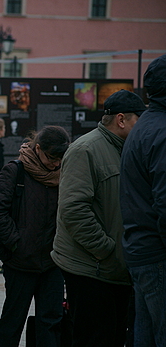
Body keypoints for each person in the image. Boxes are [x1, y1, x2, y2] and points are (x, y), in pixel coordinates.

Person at [52, 89, 146, 346]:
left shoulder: (127, 149)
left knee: (113, 336)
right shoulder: (86, 149)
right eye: (139, 119)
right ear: (121, 120)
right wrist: (106, 250)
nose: (144, 126)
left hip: (116, 269)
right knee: (94, 338)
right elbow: (73, 210)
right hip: (91, 269)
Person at [0, 126, 70, 347]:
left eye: (61, 158)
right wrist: (16, 244)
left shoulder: (65, 175)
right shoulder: (15, 171)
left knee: (51, 322)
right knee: (12, 322)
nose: (56, 163)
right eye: (52, 157)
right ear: (38, 148)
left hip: (52, 264)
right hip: (21, 263)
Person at [120, 54, 166, 346]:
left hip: (141, 249)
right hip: (157, 252)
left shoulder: (144, 126)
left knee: (145, 336)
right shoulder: (161, 131)